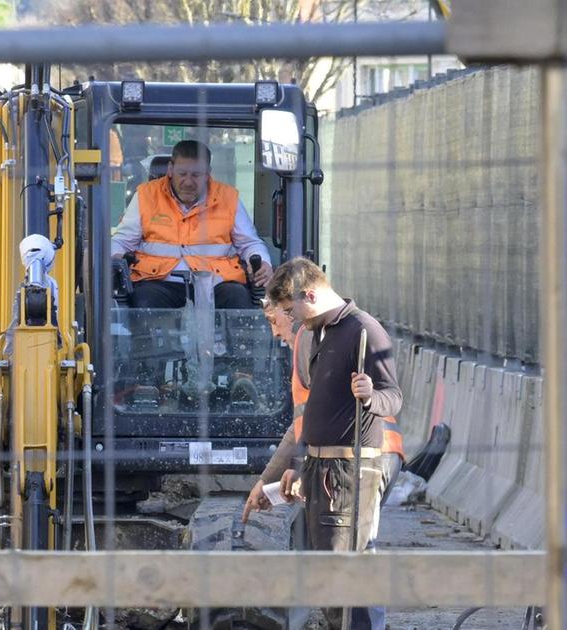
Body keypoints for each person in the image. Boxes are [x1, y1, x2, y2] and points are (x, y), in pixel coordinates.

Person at [263, 257, 402, 630]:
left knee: (349, 561)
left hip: (352, 468)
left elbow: (394, 397)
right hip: (323, 468)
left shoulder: (364, 330)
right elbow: (310, 414)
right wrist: (297, 463)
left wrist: (372, 396)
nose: (294, 320)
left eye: (293, 310)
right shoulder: (321, 334)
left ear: (310, 293)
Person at [243, 304, 405, 524]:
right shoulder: (314, 339)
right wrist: (268, 482)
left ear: (291, 312)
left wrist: (295, 471)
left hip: (363, 454)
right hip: (370, 453)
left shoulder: (310, 339)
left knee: (341, 539)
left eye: (274, 321)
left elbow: (321, 418)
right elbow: (304, 425)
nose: (275, 332)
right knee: (349, 538)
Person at [111, 139, 272, 309]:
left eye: (196, 175)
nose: (188, 182)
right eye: (182, 174)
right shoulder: (146, 196)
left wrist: (264, 264)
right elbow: (122, 241)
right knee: (144, 301)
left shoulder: (228, 198)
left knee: (238, 297)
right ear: (170, 169)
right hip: (158, 282)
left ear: (208, 173)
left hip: (216, 282)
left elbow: (249, 243)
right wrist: (115, 258)